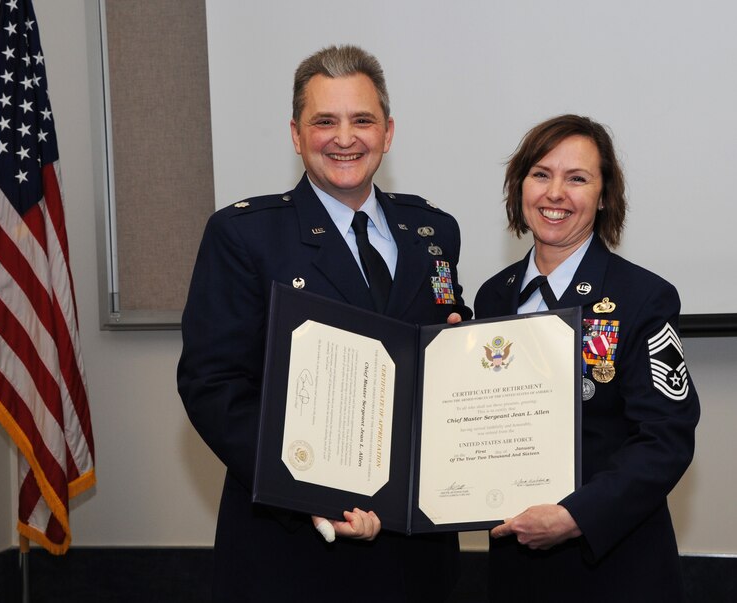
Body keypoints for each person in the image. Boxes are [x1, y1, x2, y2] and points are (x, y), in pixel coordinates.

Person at [177, 45, 472, 603]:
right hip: (294, 554)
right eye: (324, 121)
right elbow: (212, 387)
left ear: (388, 132)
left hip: (417, 558)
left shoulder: (433, 231)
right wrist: (312, 493)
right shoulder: (244, 236)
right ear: (295, 134)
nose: (345, 138)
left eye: (362, 120)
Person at [468, 114, 700, 602]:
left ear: (603, 195)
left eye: (577, 178)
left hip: (616, 570)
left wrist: (576, 516)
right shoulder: (493, 297)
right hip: (517, 573)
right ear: (519, 186)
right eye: (541, 174)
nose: (555, 193)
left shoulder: (643, 297)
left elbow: (665, 441)